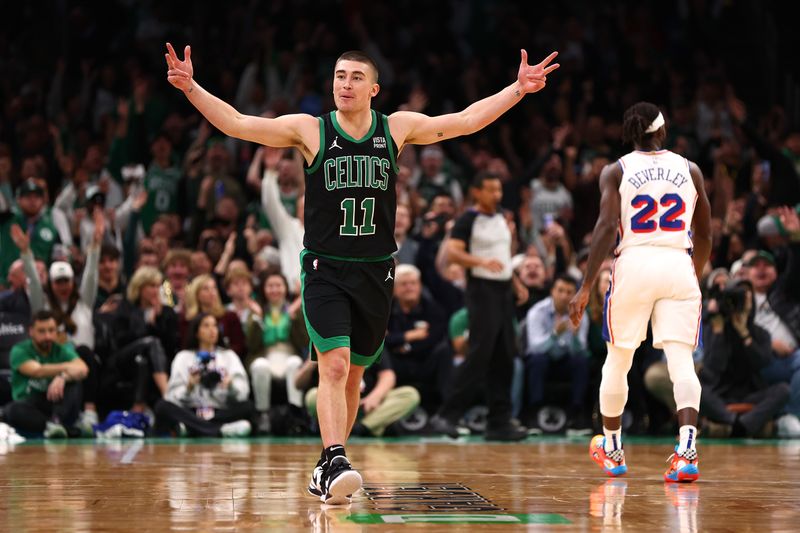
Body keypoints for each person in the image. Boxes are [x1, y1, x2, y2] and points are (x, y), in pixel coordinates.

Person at [166, 42, 559, 504]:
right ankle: (334, 458)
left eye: (355, 77)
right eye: (338, 76)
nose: (344, 84)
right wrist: (191, 88)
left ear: (373, 89)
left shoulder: (396, 128)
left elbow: (465, 121)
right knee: (332, 364)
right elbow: (237, 123)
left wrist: (517, 89)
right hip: (325, 268)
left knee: (353, 376)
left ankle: (327, 466)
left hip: (376, 271)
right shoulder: (311, 130)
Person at [569, 102, 712, 482]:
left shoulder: (616, 170)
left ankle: (613, 449)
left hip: (633, 261)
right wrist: (691, 275)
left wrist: (585, 286)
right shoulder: (690, 169)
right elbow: (708, 234)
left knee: (618, 359)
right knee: (681, 360)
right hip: (677, 260)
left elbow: (603, 227)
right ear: (662, 132)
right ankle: (686, 452)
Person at [428, 172, 530, 441]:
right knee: (480, 353)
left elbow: (503, 256)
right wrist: (479, 262)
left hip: (503, 290)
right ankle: (446, 415)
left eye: (498, 189)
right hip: (481, 290)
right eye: (490, 190)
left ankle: (499, 421)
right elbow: (453, 252)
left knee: (505, 355)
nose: (497, 194)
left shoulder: (501, 217)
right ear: (476, 192)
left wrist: (515, 283)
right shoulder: (467, 219)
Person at [154, 313, 254, 438]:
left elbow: (242, 394)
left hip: (220, 410)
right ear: (196, 332)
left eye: (215, 326)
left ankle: (192, 428)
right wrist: (188, 388)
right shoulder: (183, 357)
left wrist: (231, 385)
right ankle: (220, 430)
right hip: (192, 410)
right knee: (162, 407)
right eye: (206, 326)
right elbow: (172, 397)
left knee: (248, 406)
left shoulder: (229, 356)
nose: (212, 330)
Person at [3, 310, 88, 438]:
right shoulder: (19, 350)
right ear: (31, 331)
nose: (48, 336)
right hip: (31, 405)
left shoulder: (61, 349)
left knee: (74, 381)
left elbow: (83, 369)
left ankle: (56, 423)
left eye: (51, 330)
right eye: (42, 331)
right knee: (11, 410)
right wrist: (66, 368)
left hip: (57, 405)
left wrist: (63, 377)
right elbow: (37, 371)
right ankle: (62, 428)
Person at [524, 274, 592, 434]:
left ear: (574, 294)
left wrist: (575, 337)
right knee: (537, 360)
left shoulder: (581, 314)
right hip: (543, 359)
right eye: (560, 290)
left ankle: (576, 415)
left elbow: (581, 350)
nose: (564, 296)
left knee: (581, 361)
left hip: (565, 360)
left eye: (569, 292)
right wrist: (554, 334)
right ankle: (534, 414)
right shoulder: (537, 312)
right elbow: (535, 347)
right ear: (552, 292)